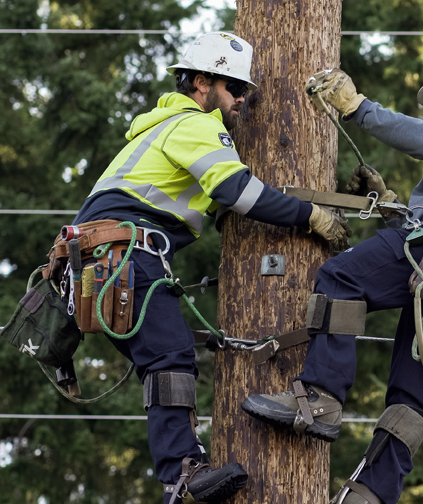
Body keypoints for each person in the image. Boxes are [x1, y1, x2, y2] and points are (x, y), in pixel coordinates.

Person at [241, 49, 423, 504]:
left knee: (341, 278)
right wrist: (393, 203)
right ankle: (373, 495)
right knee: (412, 391)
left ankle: (320, 395)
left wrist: (358, 107)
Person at [71, 32, 350, 504]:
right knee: (168, 357)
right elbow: (237, 192)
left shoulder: (158, 129)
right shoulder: (195, 124)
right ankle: (181, 475)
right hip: (124, 255)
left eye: (246, 92)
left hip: (98, 263)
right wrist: (312, 216)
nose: (243, 100)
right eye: (235, 88)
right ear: (202, 82)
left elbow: (195, 195)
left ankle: (180, 474)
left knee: (165, 357)